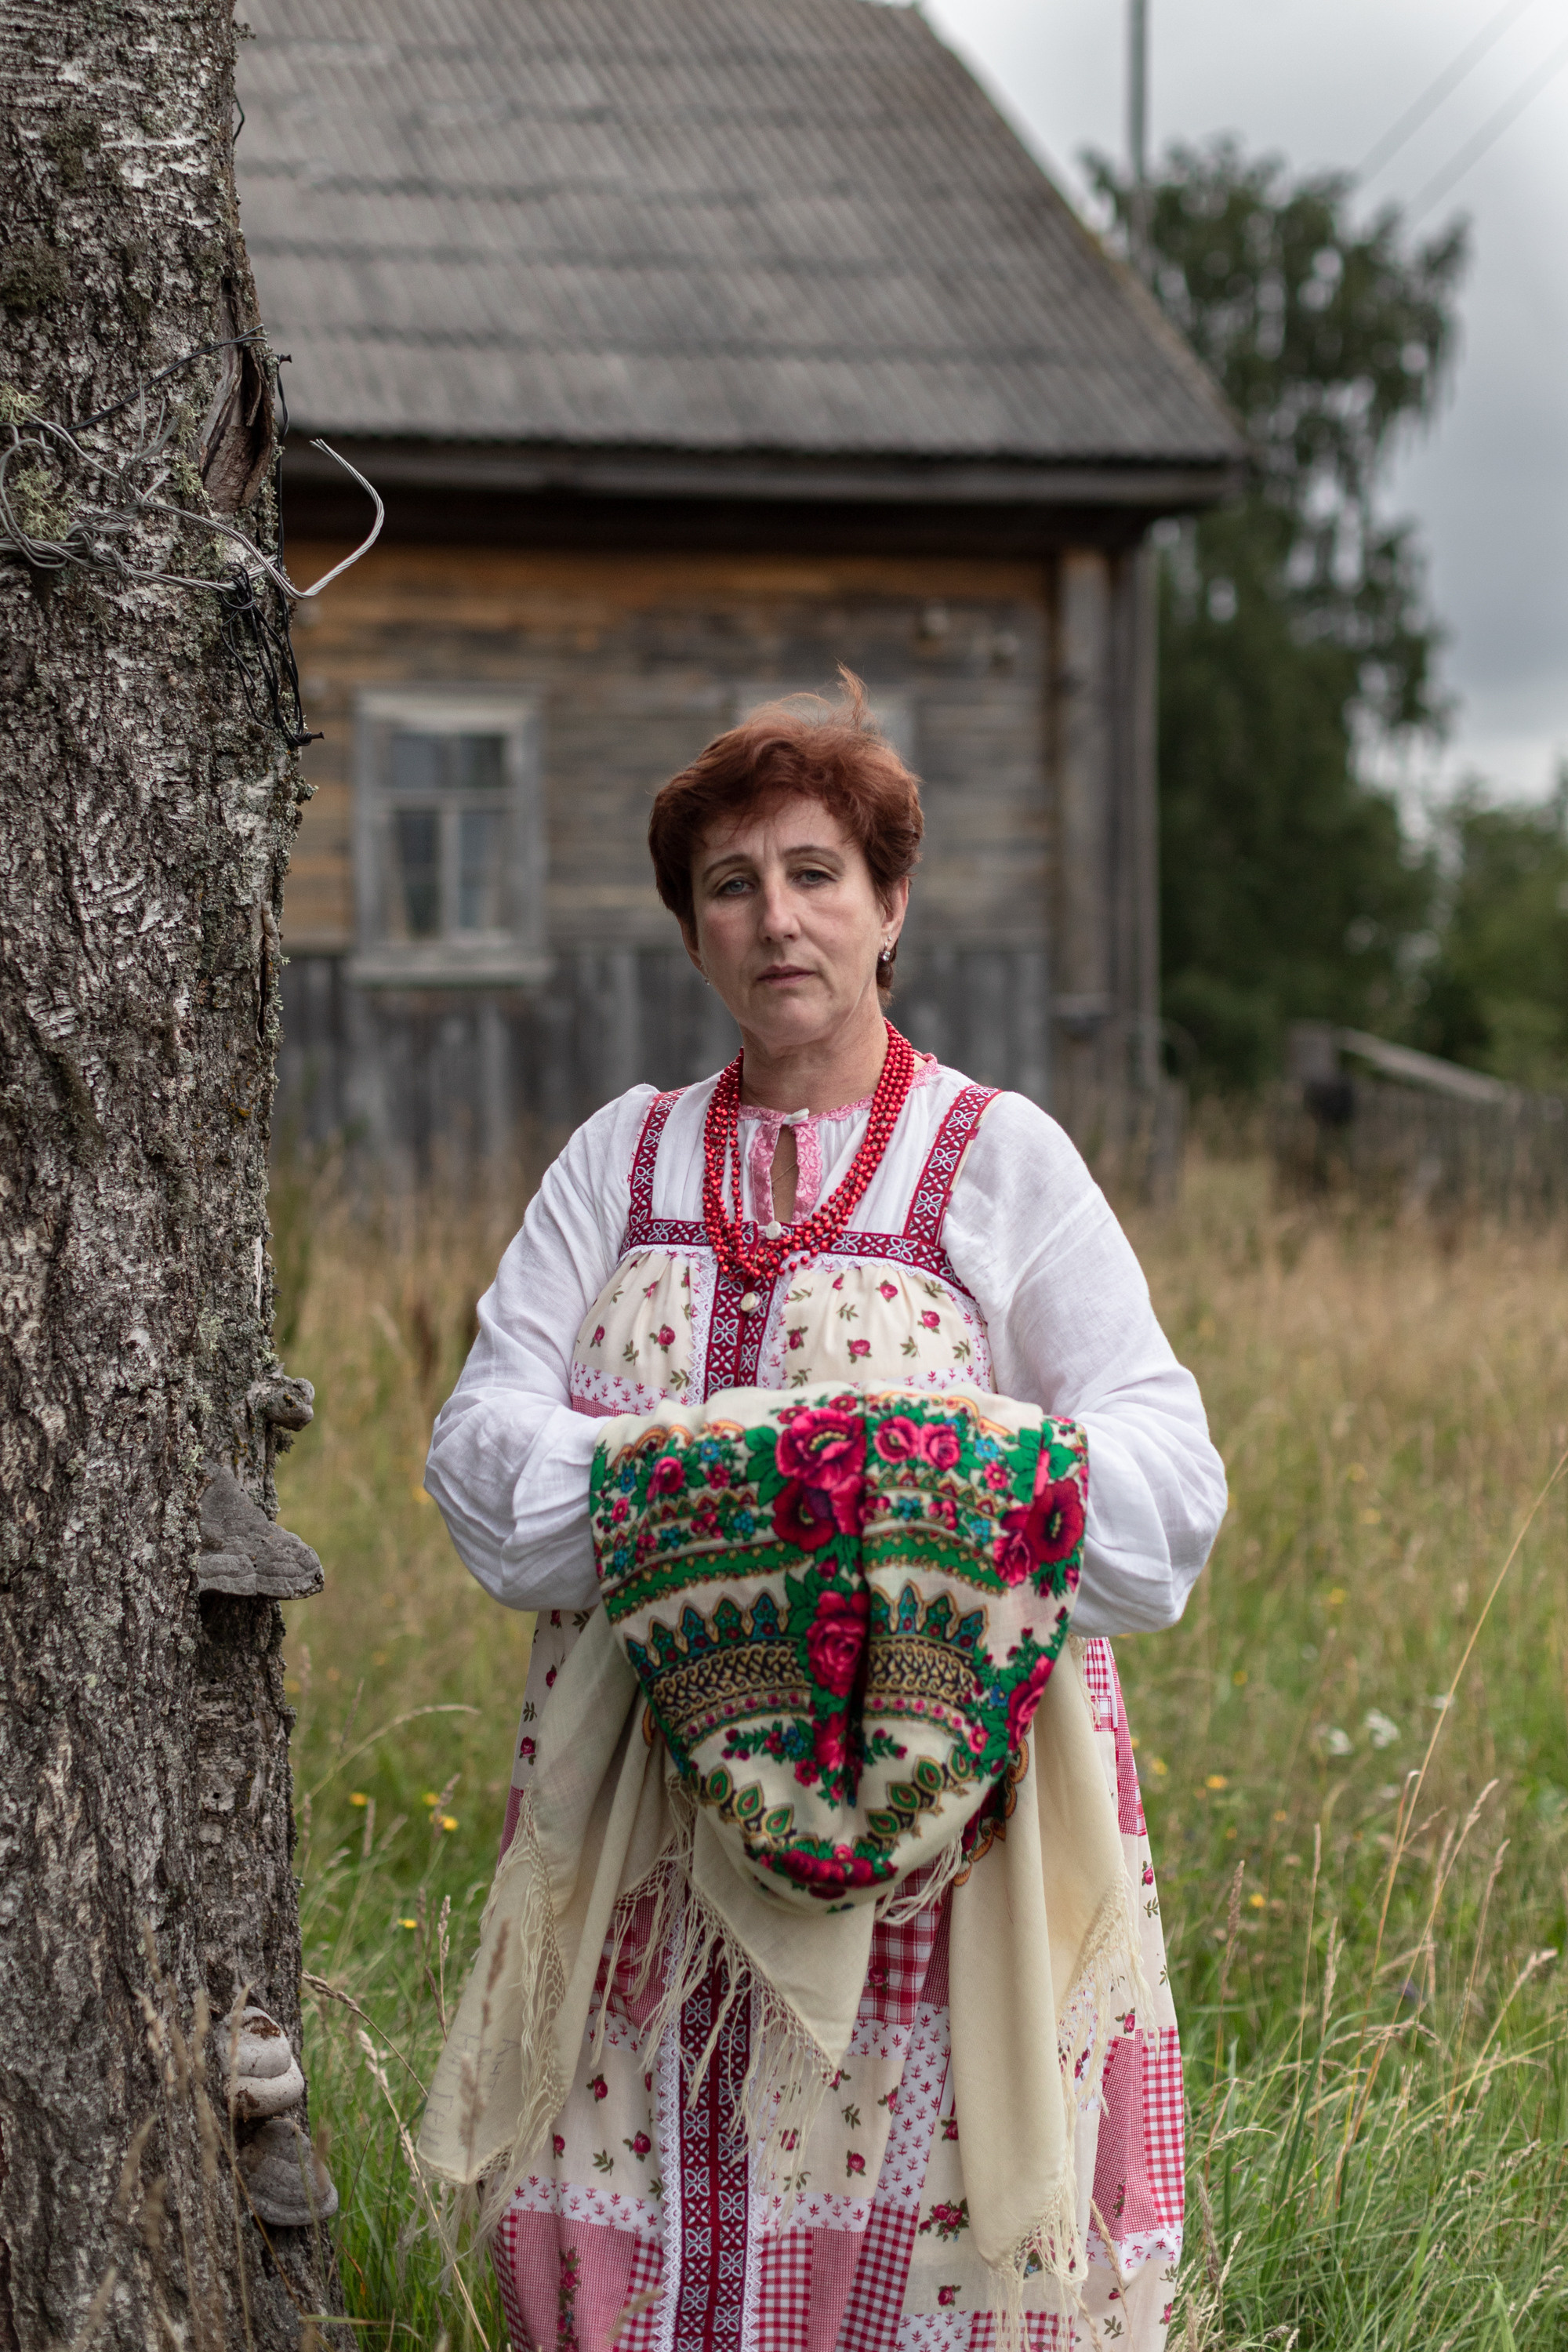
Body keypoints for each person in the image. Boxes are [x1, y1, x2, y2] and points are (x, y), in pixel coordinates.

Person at [421, 679, 1226, 2352]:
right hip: (648, 1829)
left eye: (814, 872)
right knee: (643, 2214)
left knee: (905, 2251)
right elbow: (488, 1465)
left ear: (889, 907)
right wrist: (764, 1493)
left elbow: (1161, 1498)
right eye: (730, 884)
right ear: (691, 931)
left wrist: (921, 1495)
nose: (775, 916)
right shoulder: (617, 1165)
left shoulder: (997, 1160)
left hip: (945, 1855)